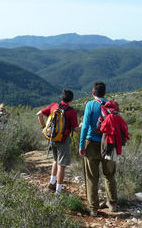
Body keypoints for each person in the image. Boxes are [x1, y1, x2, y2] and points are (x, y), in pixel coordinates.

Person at [79, 82, 117, 217]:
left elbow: (84, 127)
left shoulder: (90, 105)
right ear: (104, 93)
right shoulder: (112, 106)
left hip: (93, 144)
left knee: (92, 177)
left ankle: (93, 209)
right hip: (109, 144)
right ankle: (112, 204)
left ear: (93, 93)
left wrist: (81, 145)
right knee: (110, 175)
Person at [37, 90, 80, 195]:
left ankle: (52, 183)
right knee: (62, 165)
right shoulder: (71, 111)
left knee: (55, 160)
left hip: (52, 139)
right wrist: (82, 125)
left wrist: (44, 128)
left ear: (61, 97)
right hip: (63, 140)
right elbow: (75, 129)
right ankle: (58, 191)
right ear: (71, 99)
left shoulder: (54, 106)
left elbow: (39, 114)